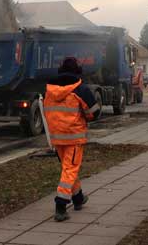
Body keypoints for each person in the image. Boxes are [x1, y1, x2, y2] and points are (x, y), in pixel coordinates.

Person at [43, 57, 101, 222]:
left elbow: (48, 111)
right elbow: (94, 112)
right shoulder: (80, 89)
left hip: (57, 137)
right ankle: (60, 206)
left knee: (68, 169)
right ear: (77, 70)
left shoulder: (49, 90)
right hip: (74, 137)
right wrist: (84, 118)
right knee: (70, 169)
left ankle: (78, 198)